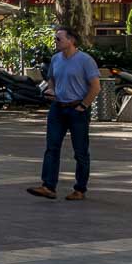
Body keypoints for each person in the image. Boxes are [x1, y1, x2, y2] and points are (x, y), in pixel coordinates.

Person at [28, 26, 100, 201]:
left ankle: (80, 189)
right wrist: (52, 91)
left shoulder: (85, 60)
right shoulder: (55, 59)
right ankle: (48, 186)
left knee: (80, 151)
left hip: (77, 110)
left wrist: (83, 106)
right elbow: (51, 79)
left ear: (71, 40)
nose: (56, 41)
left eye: (59, 38)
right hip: (58, 109)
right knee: (52, 147)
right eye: (55, 38)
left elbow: (95, 86)